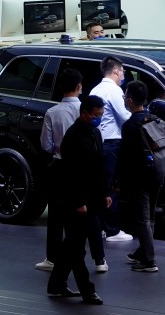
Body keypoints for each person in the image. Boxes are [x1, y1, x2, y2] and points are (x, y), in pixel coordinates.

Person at [36, 69, 107, 274]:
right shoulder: (88, 108)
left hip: (61, 167)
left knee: (57, 215)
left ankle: (52, 258)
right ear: (79, 86)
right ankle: (99, 259)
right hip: (88, 169)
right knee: (92, 216)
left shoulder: (52, 113)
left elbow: (46, 145)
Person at [47, 95, 108, 306]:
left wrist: (105, 193)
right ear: (85, 113)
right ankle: (87, 291)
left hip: (91, 199)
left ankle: (56, 284)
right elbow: (71, 175)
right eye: (96, 114)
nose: (99, 118)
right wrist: (78, 202)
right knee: (76, 248)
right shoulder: (72, 138)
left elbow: (99, 167)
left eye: (101, 114)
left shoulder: (95, 133)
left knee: (71, 245)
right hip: (75, 202)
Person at [114, 81, 162, 273]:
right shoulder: (154, 120)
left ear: (130, 101)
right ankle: (143, 251)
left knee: (142, 218)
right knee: (150, 217)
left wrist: (118, 180)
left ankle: (149, 261)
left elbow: (124, 156)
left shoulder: (130, 125)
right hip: (157, 174)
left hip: (139, 177)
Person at [90, 56, 133, 243]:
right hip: (112, 143)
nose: (123, 75)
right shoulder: (114, 90)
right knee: (112, 187)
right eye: (122, 71)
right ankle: (112, 230)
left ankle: (100, 226)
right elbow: (125, 117)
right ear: (116, 71)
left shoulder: (95, 89)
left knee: (99, 186)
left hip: (97, 142)